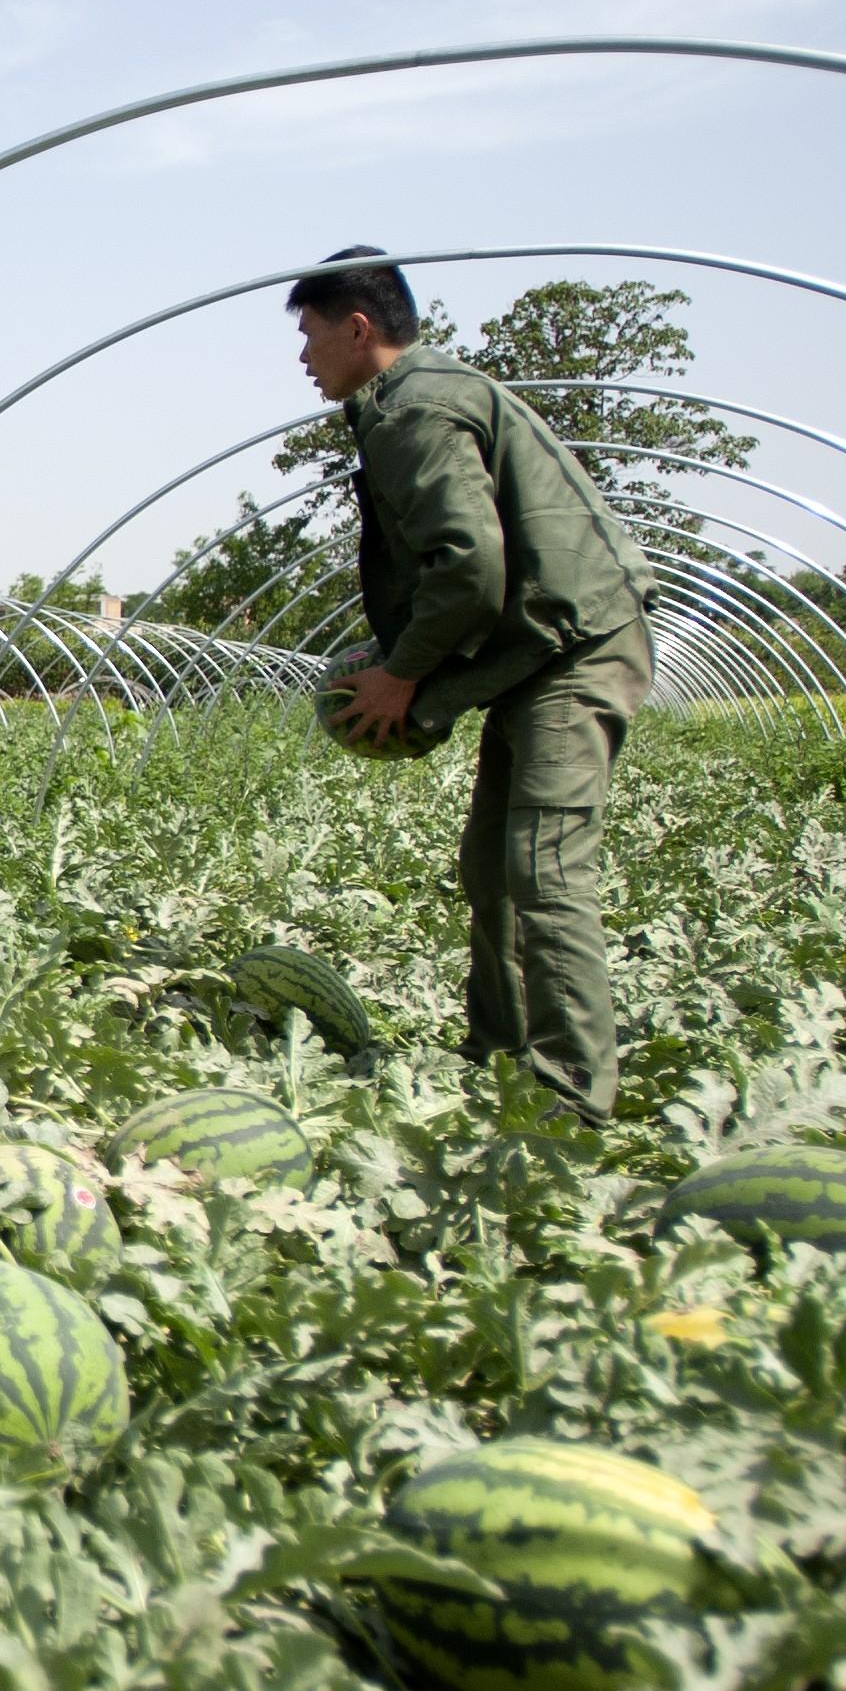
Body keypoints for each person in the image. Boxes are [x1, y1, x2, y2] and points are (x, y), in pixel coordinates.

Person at [296, 246, 656, 1120]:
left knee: (540, 868)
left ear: (358, 326)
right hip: (542, 648)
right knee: (491, 865)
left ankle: (572, 1096)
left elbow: (470, 566)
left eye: (310, 337)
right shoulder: (415, 400)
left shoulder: (418, 409)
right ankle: (500, 1055)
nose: (303, 360)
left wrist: (402, 678)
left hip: (573, 646)